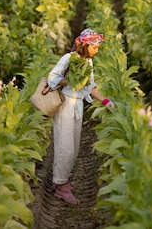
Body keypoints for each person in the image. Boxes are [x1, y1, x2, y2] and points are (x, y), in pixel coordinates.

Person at [47, 28, 115, 204]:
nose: (97, 50)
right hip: (65, 105)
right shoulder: (68, 59)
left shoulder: (89, 63)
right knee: (65, 147)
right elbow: (52, 79)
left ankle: (61, 180)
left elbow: (90, 87)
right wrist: (69, 80)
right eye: (95, 47)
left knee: (74, 147)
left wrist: (106, 101)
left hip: (77, 105)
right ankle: (62, 187)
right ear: (85, 46)